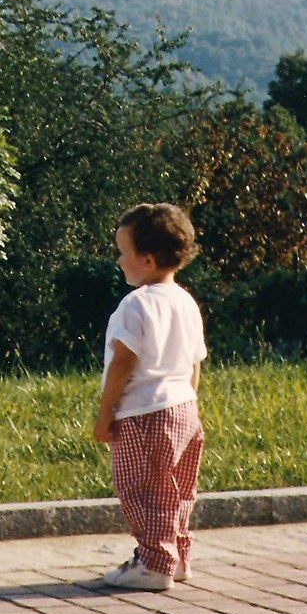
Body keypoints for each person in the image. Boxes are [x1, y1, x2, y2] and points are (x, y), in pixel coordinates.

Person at [90, 202, 208, 592]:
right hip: (184, 409)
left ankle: (154, 564)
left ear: (147, 259)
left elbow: (123, 362)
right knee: (178, 489)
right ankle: (178, 556)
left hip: (144, 413)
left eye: (123, 252)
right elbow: (194, 362)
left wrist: (106, 413)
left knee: (142, 490)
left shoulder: (136, 304)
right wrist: (189, 403)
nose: (119, 260)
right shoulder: (186, 302)